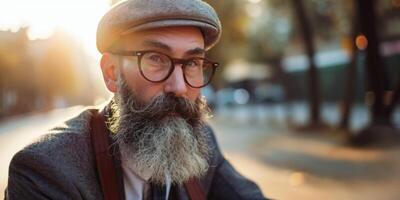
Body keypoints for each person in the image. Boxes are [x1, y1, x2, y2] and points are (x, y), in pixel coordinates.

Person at [6, 0, 266, 199]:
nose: (178, 86)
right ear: (111, 73)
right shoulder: (45, 171)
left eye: (192, 63)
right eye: (155, 58)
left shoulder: (201, 143)